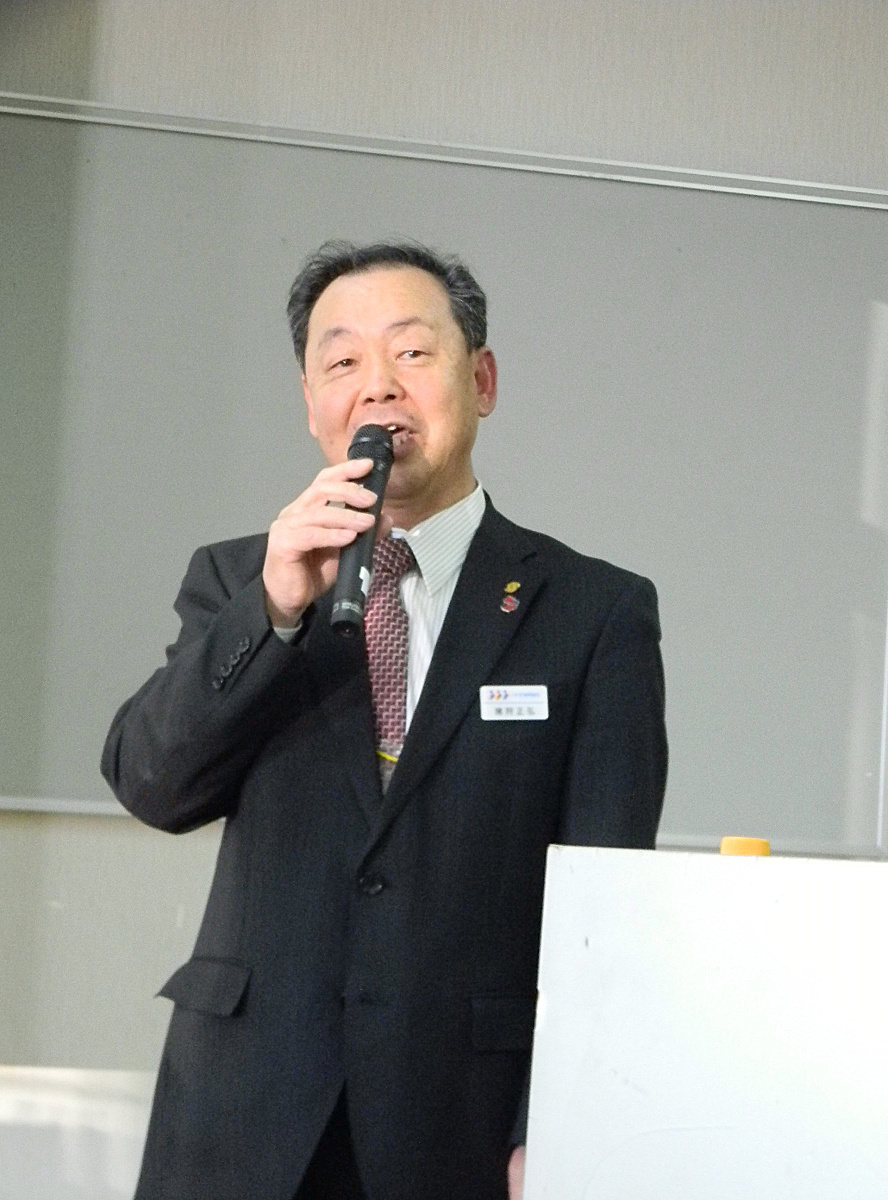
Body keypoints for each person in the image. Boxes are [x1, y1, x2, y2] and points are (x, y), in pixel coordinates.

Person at [101, 240, 667, 1200]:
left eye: (411, 352)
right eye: (343, 362)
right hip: (243, 1116)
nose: (378, 387)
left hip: (461, 1122)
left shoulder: (592, 611)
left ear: (480, 381)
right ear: (312, 403)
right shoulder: (241, 579)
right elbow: (152, 783)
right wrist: (276, 610)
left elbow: (606, 907)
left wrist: (556, 1121)